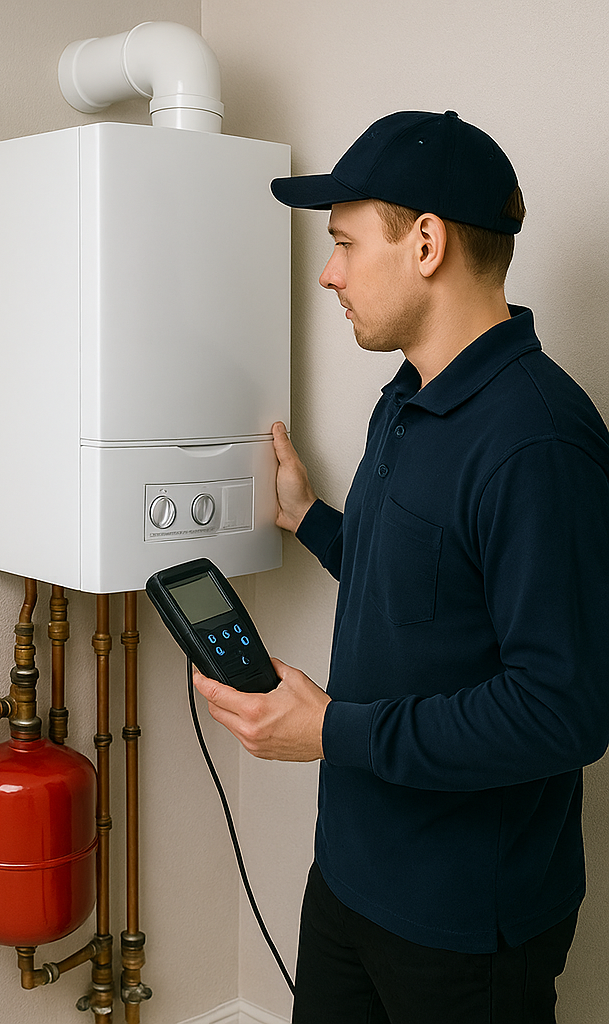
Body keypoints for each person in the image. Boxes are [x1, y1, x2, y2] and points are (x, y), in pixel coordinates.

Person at [192, 110, 609, 1022]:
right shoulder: (408, 397)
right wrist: (308, 520)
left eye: (345, 241)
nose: (328, 270)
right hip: (350, 877)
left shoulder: (538, 442)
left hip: (465, 925)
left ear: (426, 242)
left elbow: (563, 711)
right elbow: (425, 590)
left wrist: (334, 731)